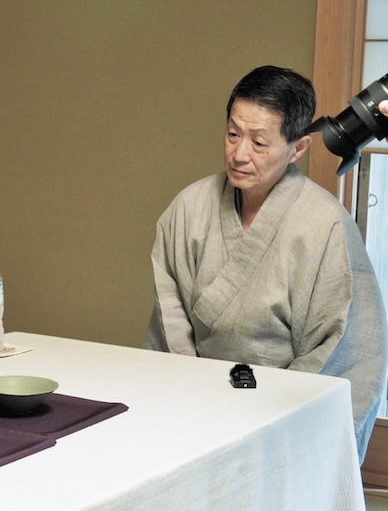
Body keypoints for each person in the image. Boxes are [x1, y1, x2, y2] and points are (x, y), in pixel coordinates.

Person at [144, 66, 388, 464]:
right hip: (191, 410)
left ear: (297, 149)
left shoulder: (323, 225)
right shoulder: (189, 208)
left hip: (281, 423)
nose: (239, 154)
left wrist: (265, 420)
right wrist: (194, 405)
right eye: (233, 134)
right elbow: (170, 327)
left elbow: (341, 352)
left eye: (259, 142)